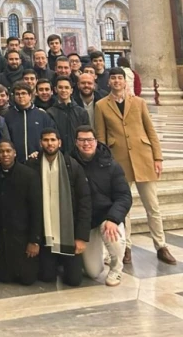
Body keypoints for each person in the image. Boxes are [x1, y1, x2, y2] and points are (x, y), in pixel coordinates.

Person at [95, 67, 177, 265]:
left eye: (119, 78)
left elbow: (150, 130)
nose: (116, 82)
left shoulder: (139, 103)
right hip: (119, 162)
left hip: (143, 158)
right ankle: (126, 247)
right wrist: (105, 164)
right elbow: (101, 137)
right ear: (109, 82)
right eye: (113, 78)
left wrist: (158, 158)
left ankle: (161, 245)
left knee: (153, 206)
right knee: (124, 207)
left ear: (125, 82)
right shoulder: (101, 105)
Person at [26, 128, 91, 286]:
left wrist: (81, 237)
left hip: (68, 233)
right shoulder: (32, 165)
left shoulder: (72, 166)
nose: (49, 143)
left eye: (53, 140)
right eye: (46, 140)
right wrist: (33, 239)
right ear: (41, 143)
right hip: (44, 234)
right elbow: (27, 204)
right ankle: (54, 262)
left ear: (59, 142)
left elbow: (85, 202)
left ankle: (63, 262)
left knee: (74, 280)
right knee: (47, 277)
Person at [72, 125, 131, 286]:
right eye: (82, 140)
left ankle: (116, 269)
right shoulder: (70, 164)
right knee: (93, 272)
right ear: (76, 142)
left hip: (107, 217)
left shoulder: (111, 165)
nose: (86, 144)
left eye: (89, 140)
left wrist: (113, 218)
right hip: (87, 222)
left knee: (113, 234)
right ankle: (102, 253)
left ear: (96, 141)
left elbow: (124, 196)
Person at [0, 140, 43, 285]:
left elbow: (36, 209)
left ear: (15, 153)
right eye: (1, 151)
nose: (5, 154)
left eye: (8, 151)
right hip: (1, 235)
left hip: (23, 235)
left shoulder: (29, 175)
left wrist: (34, 241)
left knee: (27, 279)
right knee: (4, 278)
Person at [4, 81, 54, 162]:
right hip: (16, 163)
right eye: (17, 94)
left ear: (30, 95)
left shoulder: (42, 115)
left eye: (24, 93)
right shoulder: (8, 116)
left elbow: (50, 137)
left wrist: (41, 152)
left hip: (38, 160)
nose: (20, 96)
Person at [46, 76, 90, 155]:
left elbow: (87, 135)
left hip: (79, 155)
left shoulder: (81, 112)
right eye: (60, 87)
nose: (63, 90)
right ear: (56, 90)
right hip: (58, 155)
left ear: (71, 90)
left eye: (66, 87)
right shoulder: (50, 113)